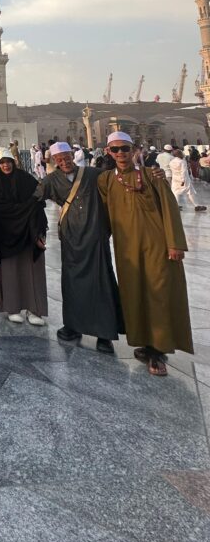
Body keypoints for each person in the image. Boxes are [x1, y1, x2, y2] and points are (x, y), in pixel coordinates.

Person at [97, 132, 193, 376]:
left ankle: (158, 351)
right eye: (115, 149)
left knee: (158, 293)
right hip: (127, 248)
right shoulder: (106, 179)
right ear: (108, 152)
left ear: (134, 150)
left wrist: (175, 243)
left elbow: (170, 209)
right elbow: (103, 213)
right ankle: (144, 343)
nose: (120, 153)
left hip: (156, 246)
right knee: (134, 294)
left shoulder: (151, 175)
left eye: (125, 148)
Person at [34, 141, 123, 353]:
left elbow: (120, 182)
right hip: (71, 236)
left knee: (101, 281)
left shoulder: (93, 174)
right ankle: (73, 326)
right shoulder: (51, 180)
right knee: (72, 281)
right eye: (59, 159)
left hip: (95, 235)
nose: (64, 162)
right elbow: (32, 199)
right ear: (54, 161)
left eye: (66, 157)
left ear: (72, 156)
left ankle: (105, 334)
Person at [0, 147, 48, 325]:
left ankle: (34, 309)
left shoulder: (25, 179)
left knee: (32, 270)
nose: (5, 165)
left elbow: (38, 204)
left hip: (29, 231)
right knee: (10, 270)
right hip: (6, 233)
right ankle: (12, 307)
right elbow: (0, 208)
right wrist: (26, 207)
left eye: (8, 162)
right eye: (2, 163)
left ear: (13, 162)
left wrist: (39, 231)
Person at [169, 148, 206, 212]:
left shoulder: (171, 162)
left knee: (176, 192)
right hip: (184, 179)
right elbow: (183, 171)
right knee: (190, 192)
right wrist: (183, 180)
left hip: (175, 179)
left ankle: (176, 206)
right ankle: (196, 206)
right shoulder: (182, 161)